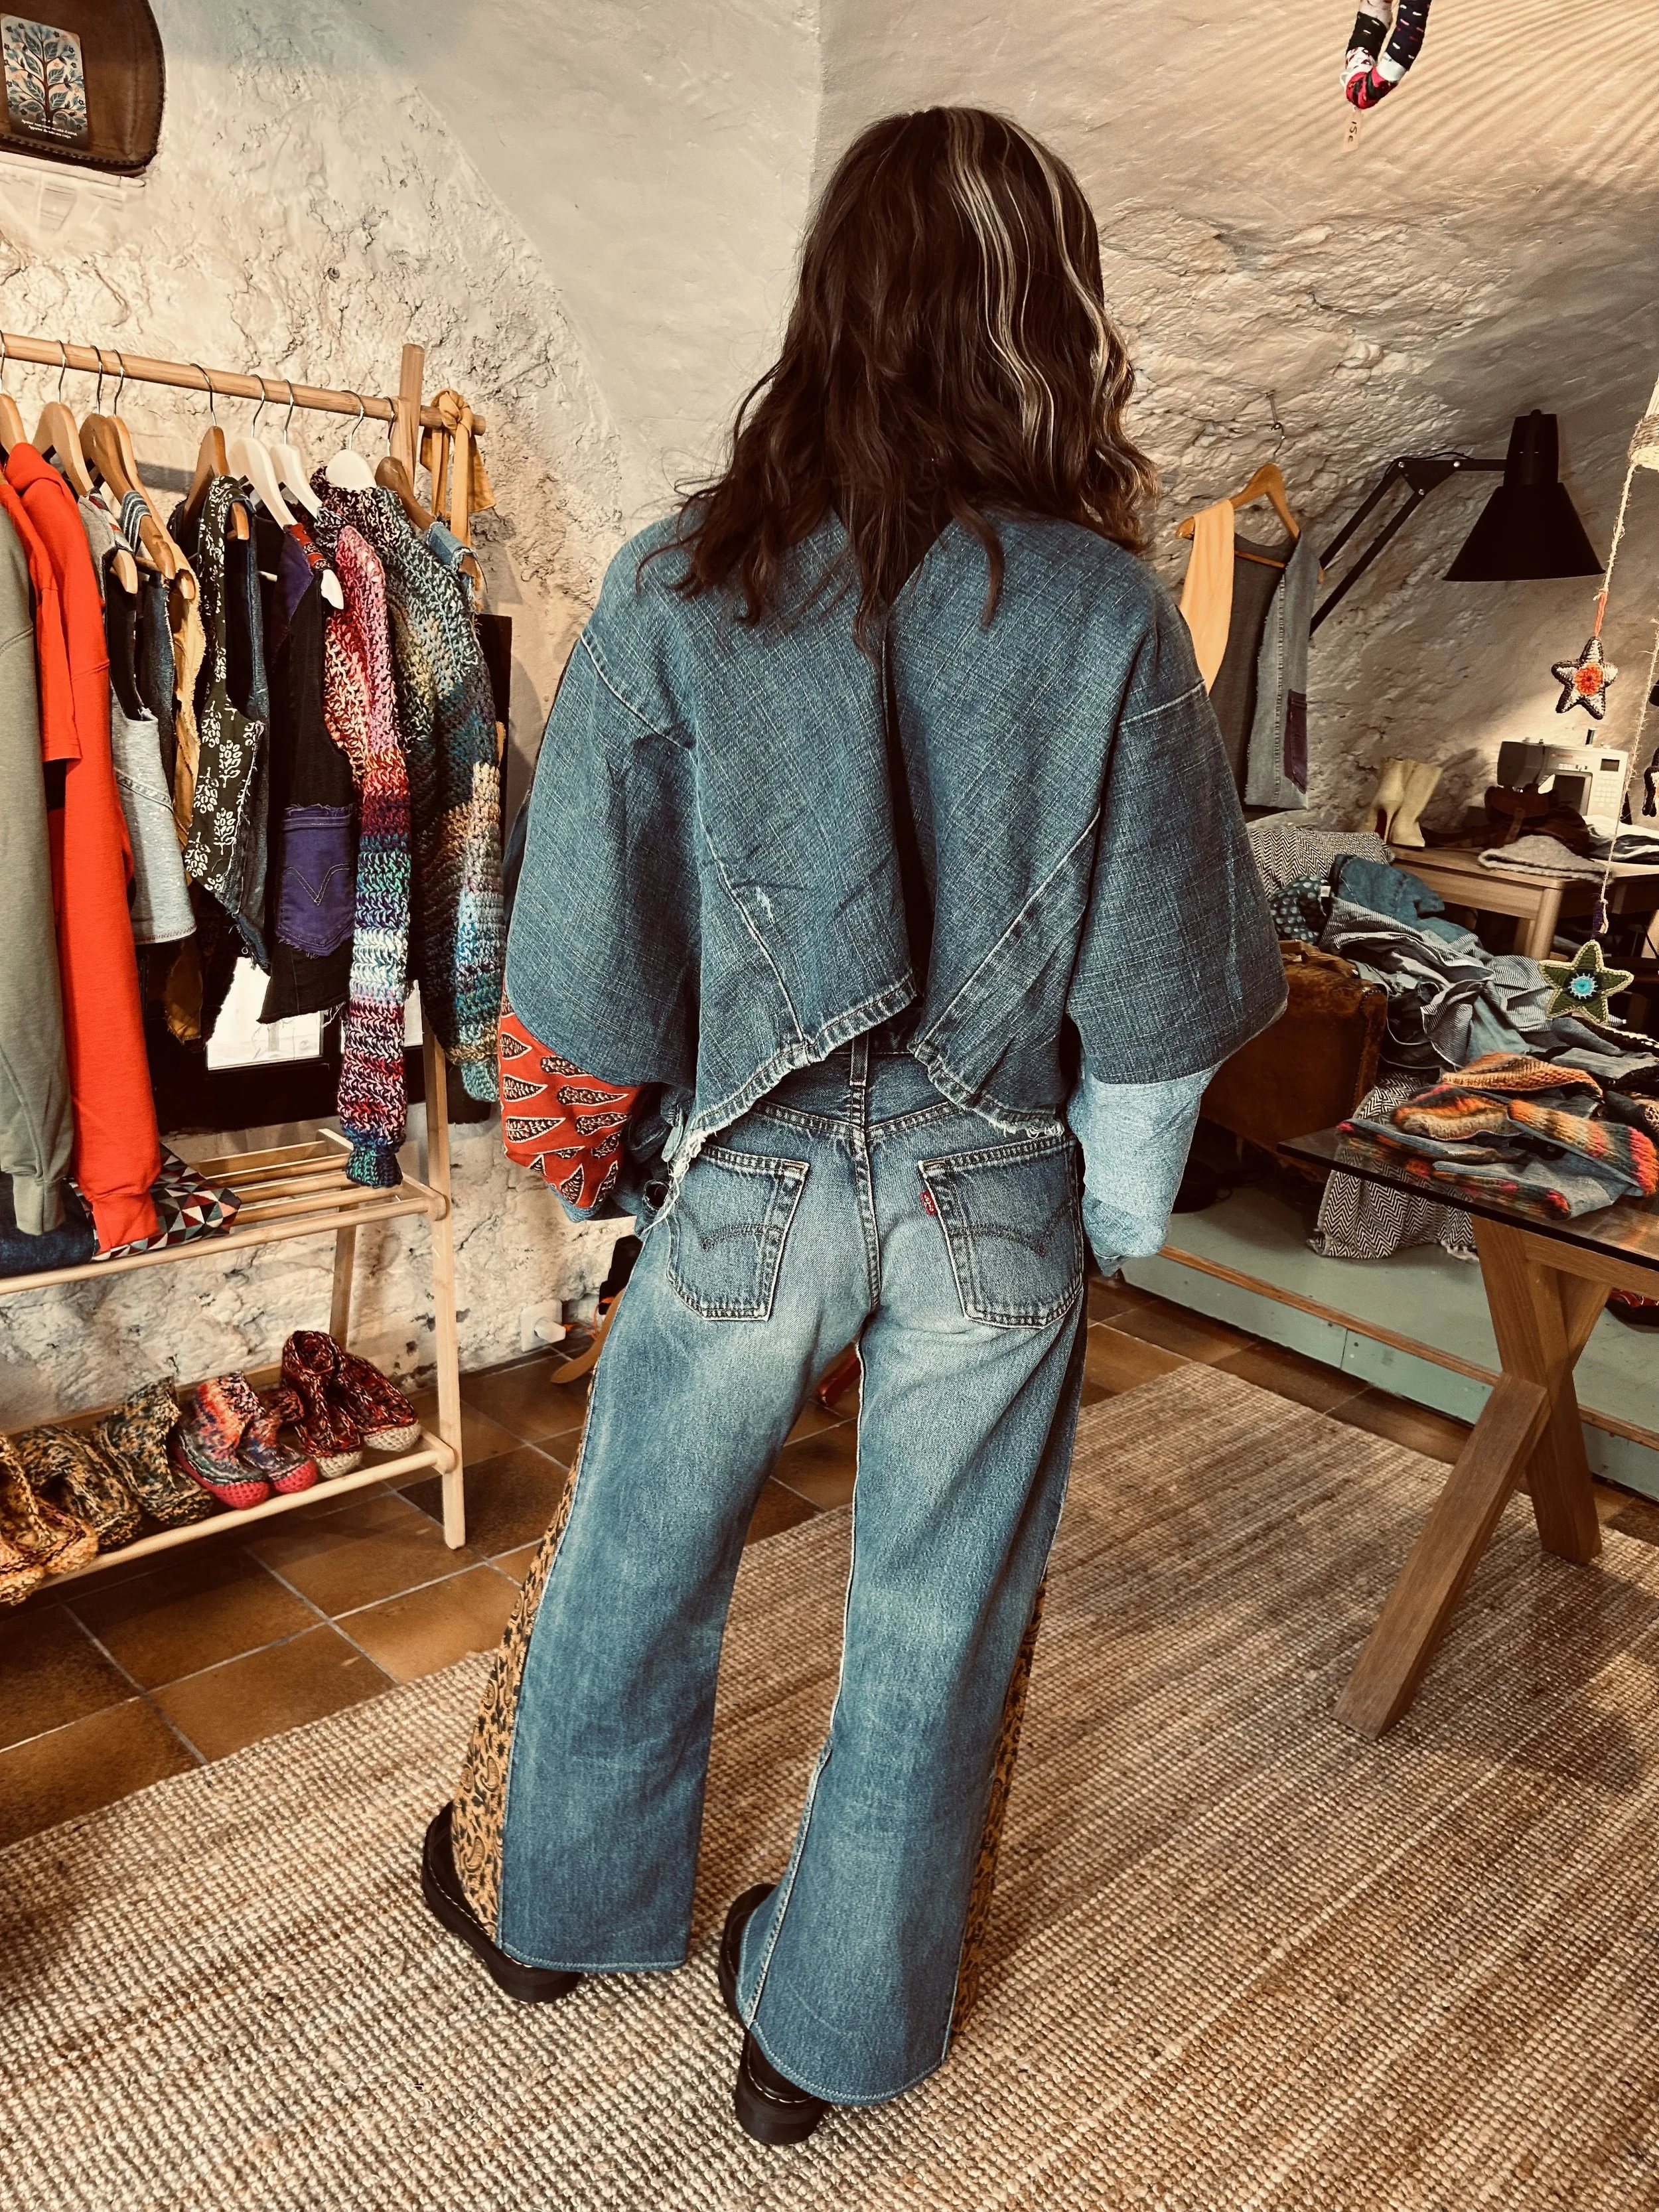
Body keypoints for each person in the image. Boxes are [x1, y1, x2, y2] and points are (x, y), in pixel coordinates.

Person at [419, 104, 1283, 2146]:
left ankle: (554, 1915)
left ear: (831, 304)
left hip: (755, 1171)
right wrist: (1122, 1211)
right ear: (1051, 320)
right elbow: (1158, 981)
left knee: (636, 1547)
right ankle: (820, 2037)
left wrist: (595, 1159)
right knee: (932, 1613)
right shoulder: (1105, 611)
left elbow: (582, 944)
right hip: (997, 1189)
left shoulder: (681, 575)